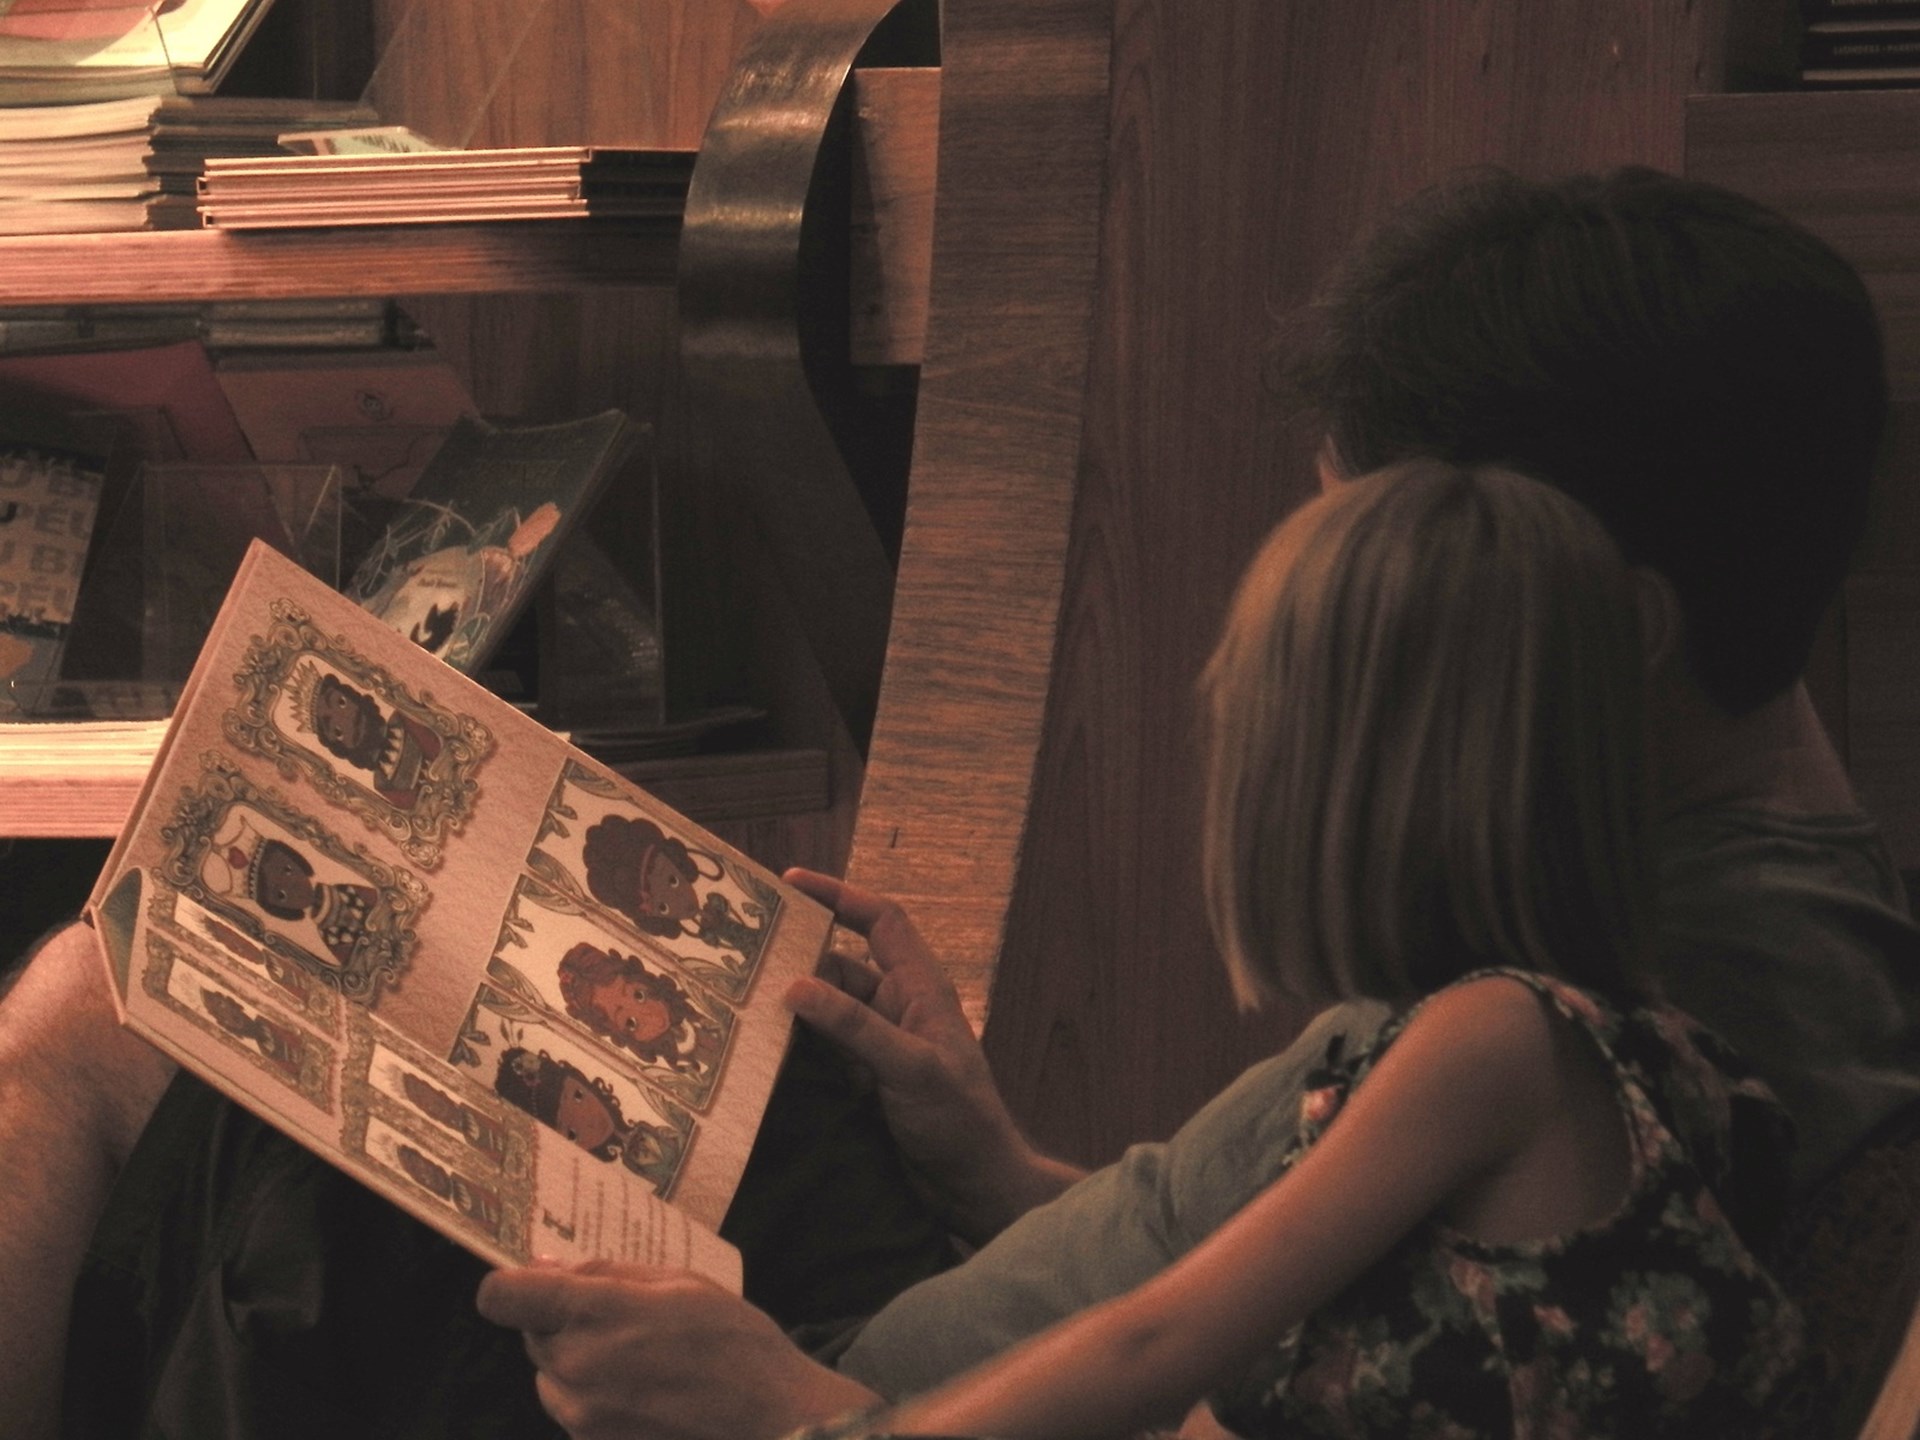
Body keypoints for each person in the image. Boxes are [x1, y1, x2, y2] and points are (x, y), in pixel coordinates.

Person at [3, 163, 1915, 1438]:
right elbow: (1335, 1294)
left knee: (114, 1013)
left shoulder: (1661, 1008)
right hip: (917, 1309)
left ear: (1609, 627)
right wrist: (993, 1157)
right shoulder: (1681, 903)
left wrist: (803, 1412)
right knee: (215, 925)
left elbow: (1238, 1379)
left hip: (824, 1381)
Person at [736, 460, 1804, 1437]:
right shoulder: (1635, 1042)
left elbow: (1152, 1346)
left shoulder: (1494, 1040)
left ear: (1329, 782)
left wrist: (825, 1428)